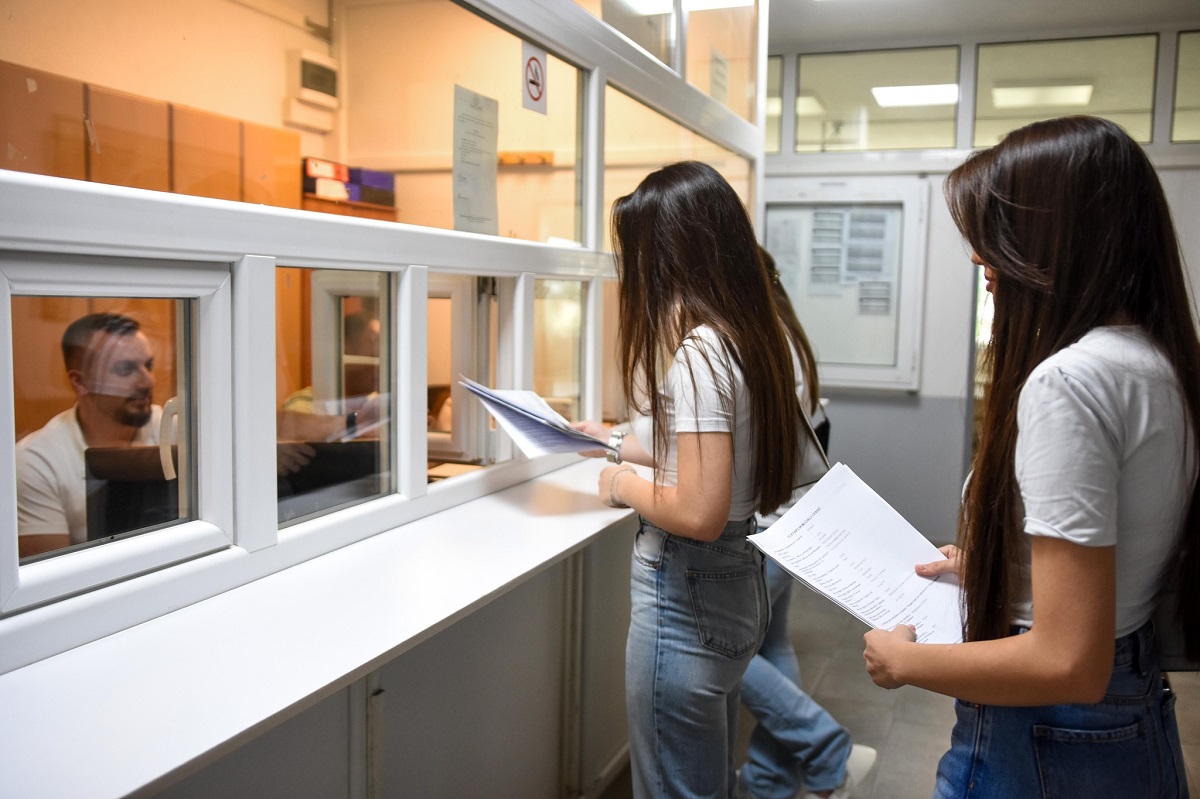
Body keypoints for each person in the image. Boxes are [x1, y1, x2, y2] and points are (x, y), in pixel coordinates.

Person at [862, 116, 1198, 798]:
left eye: (997, 235)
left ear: (1054, 236)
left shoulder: (1068, 381)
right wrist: (1002, 567)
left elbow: (1069, 659)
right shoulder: (1158, 363)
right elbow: (1120, 554)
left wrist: (908, 661)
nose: (982, 262)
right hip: (1130, 710)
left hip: (1049, 735)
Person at [572, 160, 818, 798]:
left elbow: (700, 510)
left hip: (688, 588)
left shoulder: (699, 354)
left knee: (675, 787)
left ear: (668, 254)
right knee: (707, 778)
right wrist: (629, 445)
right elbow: (725, 465)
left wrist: (619, 481)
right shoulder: (746, 338)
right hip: (734, 584)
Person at [737, 248, 876, 799]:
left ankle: (827, 748)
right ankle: (771, 784)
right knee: (771, 647)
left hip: (767, 529)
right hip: (794, 524)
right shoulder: (787, 334)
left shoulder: (756, 343)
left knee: (729, 654)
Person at [16, 312, 162, 557]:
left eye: (148, 366)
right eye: (125, 369)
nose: (147, 382)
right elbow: (52, 579)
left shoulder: (178, 428)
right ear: (80, 382)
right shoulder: (35, 462)